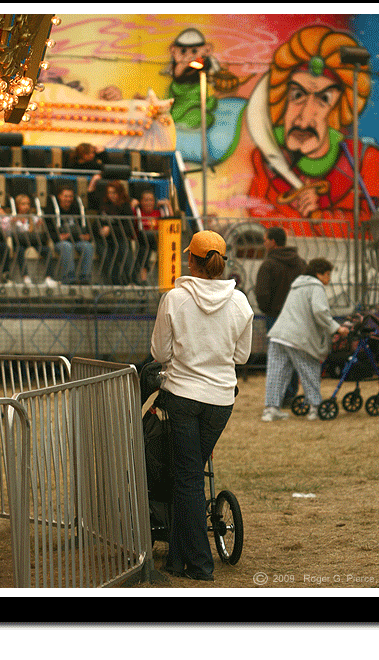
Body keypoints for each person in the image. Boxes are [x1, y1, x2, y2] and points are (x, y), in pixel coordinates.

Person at [150, 230, 253, 581]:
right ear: (222, 264)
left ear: (190, 260)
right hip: (221, 399)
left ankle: (198, 563)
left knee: (188, 479)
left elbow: (159, 353)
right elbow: (241, 355)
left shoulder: (175, 299)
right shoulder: (240, 302)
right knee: (189, 477)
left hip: (182, 395)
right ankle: (177, 560)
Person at [246, 26, 379, 228]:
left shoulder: (365, 160)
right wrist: (317, 222)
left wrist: (318, 216)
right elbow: (259, 218)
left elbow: (367, 226)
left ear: (337, 109)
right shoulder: (265, 160)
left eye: (323, 99)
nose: (304, 117)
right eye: (297, 95)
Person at [261, 258, 348, 421]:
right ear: (319, 274)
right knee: (309, 370)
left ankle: (271, 409)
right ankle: (315, 408)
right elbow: (320, 312)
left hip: (279, 335)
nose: (329, 278)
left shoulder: (297, 286)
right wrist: (337, 328)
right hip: (298, 338)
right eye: (327, 274)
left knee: (277, 373)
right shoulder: (316, 287)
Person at [254, 226, 307, 405]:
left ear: (273, 242)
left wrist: (268, 309)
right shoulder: (300, 263)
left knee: (277, 358)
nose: (264, 243)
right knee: (293, 357)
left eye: (265, 239)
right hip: (297, 318)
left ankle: (278, 396)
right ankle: (291, 394)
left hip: (275, 317)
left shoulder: (268, 265)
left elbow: (261, 293)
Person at [44, 186, 94, 285]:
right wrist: (59, 237)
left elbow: (85, 227)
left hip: (77, 239)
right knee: (67, 246)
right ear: (59, 196)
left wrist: (87, 236)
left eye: (70, 196)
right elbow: (48, 229)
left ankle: (85, 278)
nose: (68, 199)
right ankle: (69, 278)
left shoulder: (77, 209)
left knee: (88, 247)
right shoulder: (51, 209)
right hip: (60, 241)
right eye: (65, 196)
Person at [94, 179, 136, 285]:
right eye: (109, 193)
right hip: (104, 239)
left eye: (114, 193)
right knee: (105, 254)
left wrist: (111, 230)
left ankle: (130, 280)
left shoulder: (125, 207)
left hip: (119, 238)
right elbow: (96, 223)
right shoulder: (103, 205)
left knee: (124, 250)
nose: (111, 195)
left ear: (120, 193)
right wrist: (100, 230)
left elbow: (128, 228)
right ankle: (113, 283)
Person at [9, 194, 56, 285]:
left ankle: (48, 278)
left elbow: (38, 232)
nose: (26, 206)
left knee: (47, 250)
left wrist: (39, 225)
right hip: (20, 242)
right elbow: (10, 232)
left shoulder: (32, 218)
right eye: (23, 204)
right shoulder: (13, 218)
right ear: (18, 205)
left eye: (28, 204)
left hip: (32, 241)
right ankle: (25, 277)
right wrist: (13, 223)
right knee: (20, 250)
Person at [134, 190, 164, 285]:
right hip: (142, 240)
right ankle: (143, 279)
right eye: (146, 200)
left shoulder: (158, 212)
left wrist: (168, 205)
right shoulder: (138, 212)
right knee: (144, 247)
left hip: (158, 240)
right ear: (141, 202)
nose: (148, 203)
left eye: (151, 200)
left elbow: (171, 219)